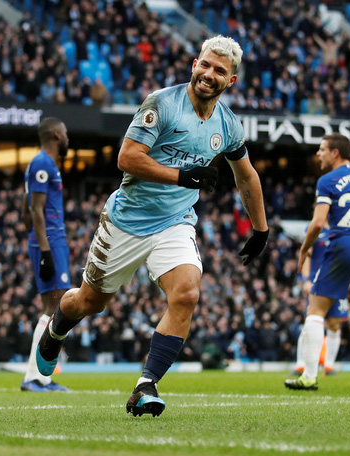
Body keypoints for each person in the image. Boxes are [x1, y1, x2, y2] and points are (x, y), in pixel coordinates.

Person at [35, 35, 269, 417]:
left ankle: (146, 386)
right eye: (205, 65)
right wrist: (183, 177)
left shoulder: (228, 125)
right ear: (194, 65)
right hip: (127, 221)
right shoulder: (162, 103)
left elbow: (247, 176)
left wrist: (260, 229)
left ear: (232, 82)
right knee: (89, 303)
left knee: (187, 293)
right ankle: (57, 329)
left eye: (220, 71)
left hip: (175, 222)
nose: (209, 74)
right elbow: (127, 158)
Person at [286, 133, 350, 391]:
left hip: (343, 242)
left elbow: (319, 222)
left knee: (315, 311)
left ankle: (309, 375)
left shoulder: (327, 181)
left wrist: (304, 249)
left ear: (335, 153)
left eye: (322, 149)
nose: (318, 154)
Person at [20, 117, 72, 392]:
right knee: (55, 307)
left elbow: (24, 210)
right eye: (64, 132)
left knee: (56, 307)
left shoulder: (39, 164)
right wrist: (44, 250)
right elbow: (35, 211)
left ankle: (41, 376)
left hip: (50, 239)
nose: (67, 137)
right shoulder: (42, 163)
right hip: (49, 239)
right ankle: (34, 376)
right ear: (54, 134)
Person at [292, 222, 350, 377]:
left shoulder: (342, 228)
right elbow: (306, 253)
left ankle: (329, 366)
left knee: (335, 324)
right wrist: (305, 279)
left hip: (338, 280)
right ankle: (300, 364)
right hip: (317, 280)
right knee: (311, 320)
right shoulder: (315, 228)